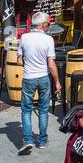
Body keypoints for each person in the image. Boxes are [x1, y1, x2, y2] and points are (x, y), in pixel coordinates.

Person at [16, 11, 60, 155]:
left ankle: (28, 139)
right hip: (43, 78)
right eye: (48, 23)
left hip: (28, 78)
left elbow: (18, 60)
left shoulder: (24, 38)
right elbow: (51, 64)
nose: (49, 25)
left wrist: (29, 67)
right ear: (42, 25)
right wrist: (57, 82)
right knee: (43, 110)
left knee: (26, 110)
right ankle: (42, 140)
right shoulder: (48, 40)